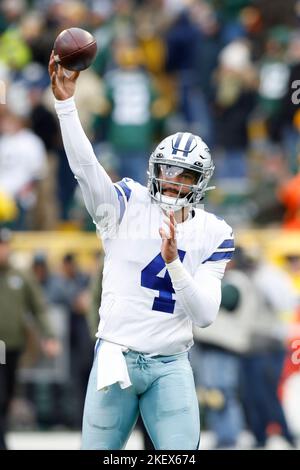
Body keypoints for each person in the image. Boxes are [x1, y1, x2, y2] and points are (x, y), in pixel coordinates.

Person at [49, 51, 234, 450]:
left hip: (170, 363)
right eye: (166, 170)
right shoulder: (126, 204)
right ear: (153, 168)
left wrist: (174, 264)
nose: (171, 182)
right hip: (116, 354)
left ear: (200, 182)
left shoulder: (213, 232)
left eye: (183, 175)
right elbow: (85, 168)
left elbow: (204, 315)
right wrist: (65, 105)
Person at [0, 227, 60, 449]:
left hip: (14, 346)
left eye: (5, 245)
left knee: (7, 395)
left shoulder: (19, 276)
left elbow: (39, 308)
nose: (3, 250)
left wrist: (50, 336)